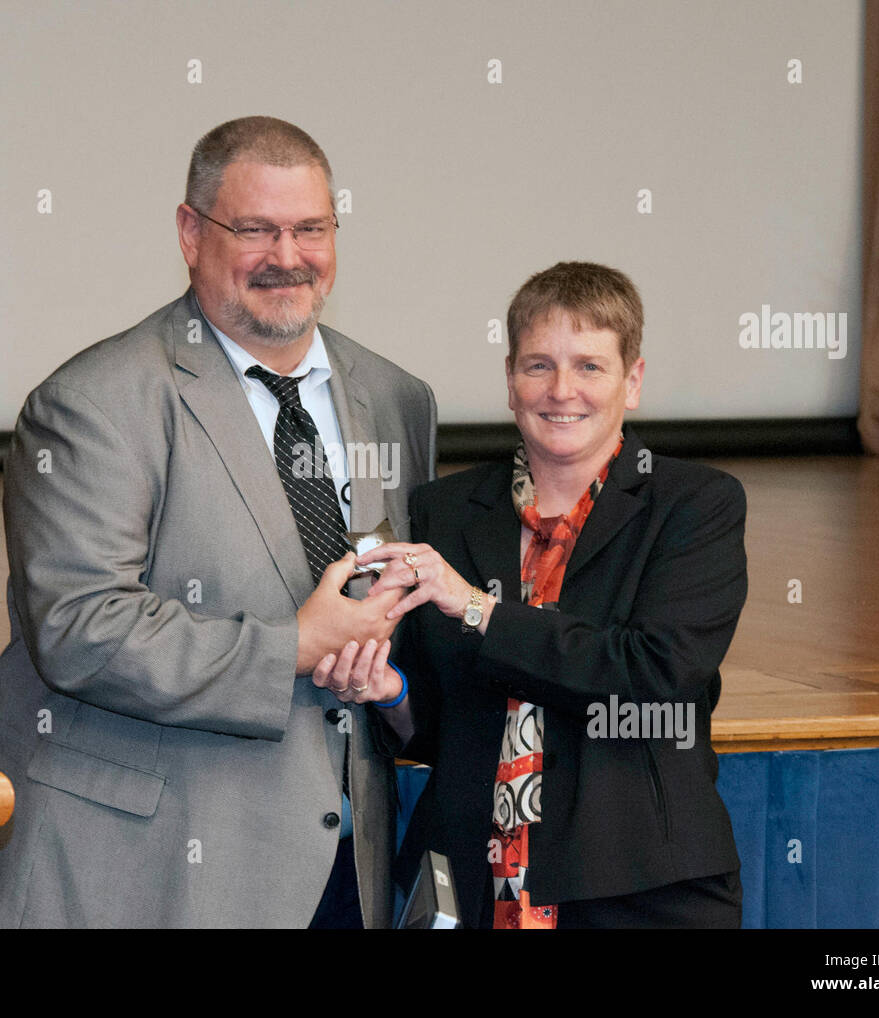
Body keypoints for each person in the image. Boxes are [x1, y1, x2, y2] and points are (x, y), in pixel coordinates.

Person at [0, 116, 437, 928]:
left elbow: (412, 623)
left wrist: (395, 685)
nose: (287, 257)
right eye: (255, 229)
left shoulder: (398, 399)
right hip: (146, 880)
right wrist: (294, 646)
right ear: (191, 233)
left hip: (342, 875)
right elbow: (80, 628)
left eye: (310, 229)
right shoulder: (94, 404)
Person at [314, 262, 746, 928]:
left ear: (632, 381)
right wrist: (389, 692)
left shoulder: (694, 505)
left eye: (590, 367)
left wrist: (479, 608)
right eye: (538, 365)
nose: (562, 391)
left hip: (638, 888)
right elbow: (443, 723)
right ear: (510, 380)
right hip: (470, 884)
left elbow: (650, 673)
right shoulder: (446, 511)